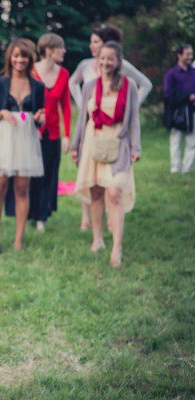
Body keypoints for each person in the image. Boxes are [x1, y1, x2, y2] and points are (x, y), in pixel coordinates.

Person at [69, 25, 151, 231]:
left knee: (111, 186)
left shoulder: (121, 69)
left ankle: (111, 217)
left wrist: (130, 107)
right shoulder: (86, 66)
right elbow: (73, 84)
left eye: (96, 41)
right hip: (92, 126)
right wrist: (82, 103)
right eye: (92, 41)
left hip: (115, 130)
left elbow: (144, 84)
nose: (92, 46)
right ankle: (86, 218)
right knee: (91, 180)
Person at [71, 41, 141, 268]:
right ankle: (97, 239)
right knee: (96, 193)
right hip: (93, 143)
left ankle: (116, 247)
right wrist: (76, 145)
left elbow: (133, 119)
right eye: (102, 58)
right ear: (97, 60)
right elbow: (83, 119)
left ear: (118, 62)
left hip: (118, 144)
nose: (106, 62)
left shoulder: (128, 86)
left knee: (114, 193)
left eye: (110, 58)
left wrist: (136, 146)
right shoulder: (90, 85)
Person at [0, 38, 45, 255]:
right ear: (10, 58)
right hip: (2, 140)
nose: (20, 60)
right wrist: (0, 114)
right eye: (16, 56)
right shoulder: (0, 83)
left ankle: (18, 239)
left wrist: (40, 118)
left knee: (22, 188)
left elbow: (35, 116)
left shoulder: (38, 86)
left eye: (24, 56)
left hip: (26, 140)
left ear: (30, 58)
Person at [5, 33, 71, 232]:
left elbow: (66, 106)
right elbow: (23, 104)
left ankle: (42, 215)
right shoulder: (31, 72)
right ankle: (24, 214)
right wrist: (33, 126)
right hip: (30, 132)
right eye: (61, 48)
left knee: (48, 175)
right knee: (27, 175)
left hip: (52, 134)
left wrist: (66, 134)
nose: (65, 51)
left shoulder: (64, 74)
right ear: (49, 51)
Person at [163, 44, 195, 173]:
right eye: (187, 54)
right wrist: (188, 96)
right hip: (176, 112)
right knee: (175, 140)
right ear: (179, 55)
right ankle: (175, 168)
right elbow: (167, 94)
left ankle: (186, 169)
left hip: (192, 112)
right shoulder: (171, 74)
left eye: (191, 54)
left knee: (192, 141)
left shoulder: (193, 73)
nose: (190, 57)